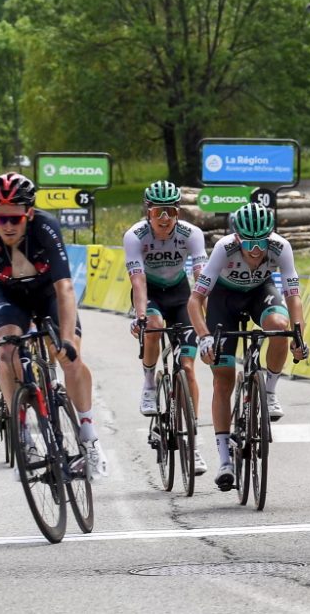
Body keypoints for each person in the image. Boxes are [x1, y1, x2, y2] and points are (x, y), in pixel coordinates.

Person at [0, 172, 108, 481]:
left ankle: (89, 437)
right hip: (9, 297)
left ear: (29, 212)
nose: (8, 226)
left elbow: (66, 288)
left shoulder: (45, 228)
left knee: (70, 357)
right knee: (5, 352)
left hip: (48, 294)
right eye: (0, 219)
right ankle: (23, 438)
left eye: (15, 218)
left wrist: (67, 340)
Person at [187, 202, 309, 491]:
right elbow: (195, 301)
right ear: (237, 237)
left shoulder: (281, 247)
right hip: (223, 300)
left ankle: (269, 391)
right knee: (223, 378)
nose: (256, 250)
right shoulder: (223, 248)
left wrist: (298, 338)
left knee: (280, 328)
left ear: (271, 235)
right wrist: (204, 336)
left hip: (259, 294)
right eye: (249, 242)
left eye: (261, 241)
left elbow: (293, 298)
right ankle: (225, 460)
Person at [124, 180, 209, 475]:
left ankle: (193, 446)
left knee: (187, 368)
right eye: (159, 212)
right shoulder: (135, 235)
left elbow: (201, 278)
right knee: (155, 326)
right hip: (151, 295)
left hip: (181, 295)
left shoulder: (192, 234)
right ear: (148, 211)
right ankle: (149, 384)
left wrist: (203, 323)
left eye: (171, 212)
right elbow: (138, 281)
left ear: (178, 212)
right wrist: (140, 315)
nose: (165, 219)